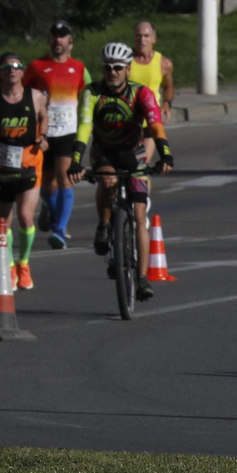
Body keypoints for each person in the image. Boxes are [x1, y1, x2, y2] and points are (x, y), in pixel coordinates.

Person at [71, 41, 175, 301]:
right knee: (106, 181)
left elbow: (155, 125)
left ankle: (141, 279)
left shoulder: (142, 94)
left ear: (128, 69)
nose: (112, 72)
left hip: (133, 152)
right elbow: (84, 126)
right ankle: (104, 226)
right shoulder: (92, 92)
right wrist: (75, 160)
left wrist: (165, 154)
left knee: (140, 216)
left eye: (118, 67)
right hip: (104, 150)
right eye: (107, 68)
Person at [0, 52, 49, 291]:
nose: (12, 70)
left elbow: (44, 117)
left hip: (29, 163)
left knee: (25, 216)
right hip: (2, 167)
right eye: (7, 67)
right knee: (2, 221)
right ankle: (10, 265)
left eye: (16, 66)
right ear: (0, 72)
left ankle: (24, 264)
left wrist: (42, 137)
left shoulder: (35, 97)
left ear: (23, 72)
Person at [30, 20, 91, 249]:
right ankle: (48, 208)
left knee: (65, 179)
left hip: (68, 131)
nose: (58, 40)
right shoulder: (36, 67)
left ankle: (59, 231)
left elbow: (87, 97)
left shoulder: (79, 68)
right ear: (50, 40)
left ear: (70, 42)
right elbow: (26, 94)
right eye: (54, 35)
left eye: (63, 36)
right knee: (48, 185)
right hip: (44, 133)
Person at [128, 21, 175, 117]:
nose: (142, 40)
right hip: (129, 119)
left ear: (154, 39)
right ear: (134, 38)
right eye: (138, 36)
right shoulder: (125, 61)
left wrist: (166, 104)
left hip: (152, 119)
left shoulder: (164, 64)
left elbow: (168, 87)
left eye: (146, 36)